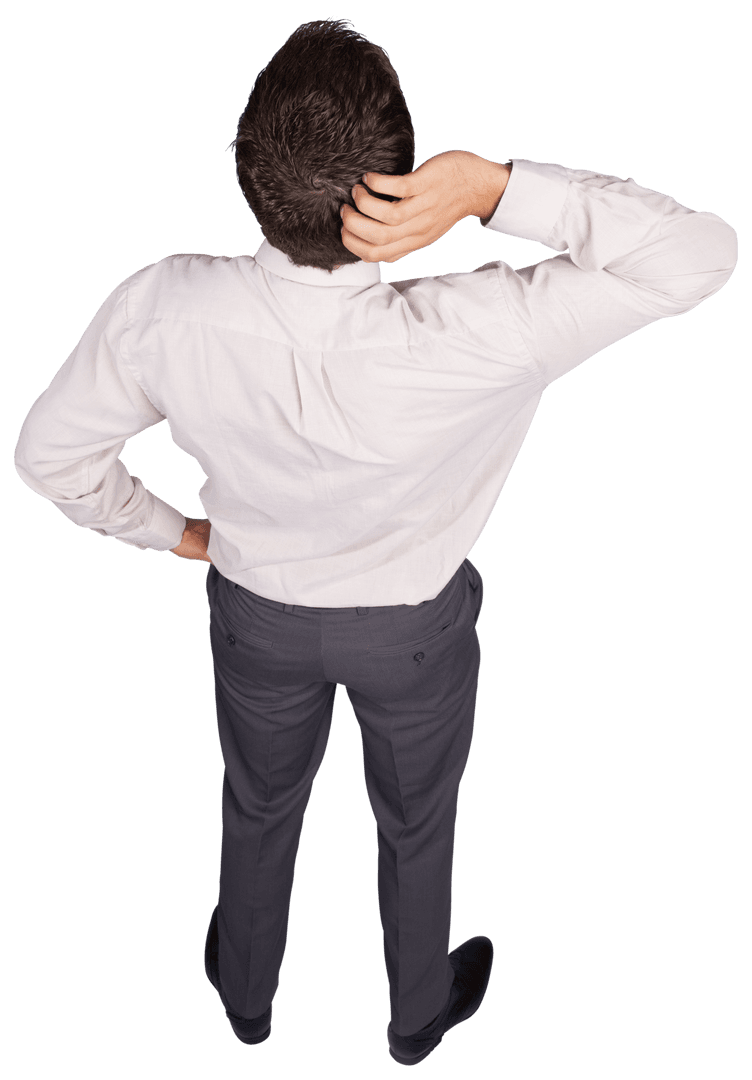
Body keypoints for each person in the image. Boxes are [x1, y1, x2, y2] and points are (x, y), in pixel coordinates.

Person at [13, 16, 737, 1068]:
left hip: (254, 615)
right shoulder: (483, 328)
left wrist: (175, 534)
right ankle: (413, 1017)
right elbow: (701, 255)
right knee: (416, 825)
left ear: (245, 165)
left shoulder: (158, 307)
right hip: (414, 636)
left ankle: (246, 999)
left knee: (257, 806)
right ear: (402, 189)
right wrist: (494, 188)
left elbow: (47, 458)